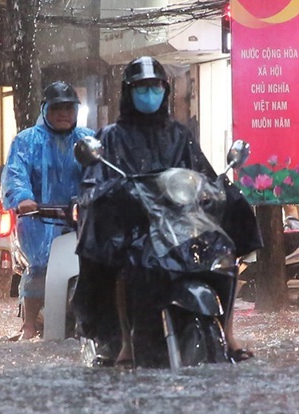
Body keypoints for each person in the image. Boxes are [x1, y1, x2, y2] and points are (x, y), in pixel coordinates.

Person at [76, 57, 260, 364]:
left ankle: (228, 332)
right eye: (142, 88)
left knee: (222, 251)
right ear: (128, 92)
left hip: (181, 224)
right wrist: (119, 193)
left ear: (165, 90)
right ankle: (125, 342)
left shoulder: (180, 134)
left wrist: (220, 191)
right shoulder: (112, 136)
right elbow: (95, 184)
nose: (149, 94)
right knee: (123, 257)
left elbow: (202, 174)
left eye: (155, 87)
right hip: (136, 225)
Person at [1, 80, 93, 340]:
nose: (63, 113)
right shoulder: (26, 141)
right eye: (57, 108)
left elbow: (103, 172)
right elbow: (16, 174)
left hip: (81, 219)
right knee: (40, 267)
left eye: (68, 108)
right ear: (45, 111)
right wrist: (23, 199)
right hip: (40, 220)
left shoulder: (88, 139)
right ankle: (29, 325)